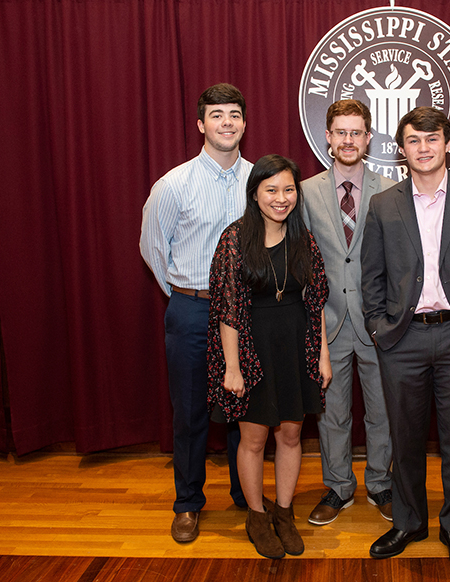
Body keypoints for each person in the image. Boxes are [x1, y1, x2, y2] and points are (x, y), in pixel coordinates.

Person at [360, 107, 450, 571]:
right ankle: (409, 520)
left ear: (448, 144)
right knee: (403, 436)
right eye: (414, 140)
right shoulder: (384, 204)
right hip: (401, 340)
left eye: (432, 139)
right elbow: (372, 276)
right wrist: (377, 328)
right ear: (401, 150)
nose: (423, 148)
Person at [139, 83, 251, 543]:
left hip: (249, 315)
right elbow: (152, 249)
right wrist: (187, 296)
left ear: (245, 123)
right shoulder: (173, 184)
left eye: (235, 114)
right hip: (191, 311)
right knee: (190, 414)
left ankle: (248, 498)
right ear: (201, 124)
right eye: (217, 114)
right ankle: (187, 503)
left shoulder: (261, 181)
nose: (227, 122)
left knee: (249, 411)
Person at [206, 154, 331, 559]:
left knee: (292, 434)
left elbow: (316, 303)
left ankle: (284, 512)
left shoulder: (303, 238)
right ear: (255, 193)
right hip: (251, 347)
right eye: (271, 190)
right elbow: (226, 309)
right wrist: (232, 367)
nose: (281, 198)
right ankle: (257, 516)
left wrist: (323, 356)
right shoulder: (234, 239)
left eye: (288, 189)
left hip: (298, 344)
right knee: (254, 437)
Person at [301, 99, 396, 526]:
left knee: (382, 411)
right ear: (327, 136)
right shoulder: (304, 192)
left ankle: (380, 483)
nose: (348, 140)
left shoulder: (391, 191)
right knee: (332, 413)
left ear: (369, 137)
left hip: (378, 323)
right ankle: (338, 488)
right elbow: (302, 261)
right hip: (328, 324)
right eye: (340, 132)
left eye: (356, 132)